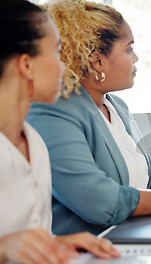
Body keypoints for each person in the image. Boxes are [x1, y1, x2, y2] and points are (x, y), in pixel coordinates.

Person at [27, 0, 151, 236]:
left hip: (133, 238)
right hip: (86, 252)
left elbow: (147, 178)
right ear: (97, 60)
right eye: (129, 49)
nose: (136, 58)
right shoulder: (53, 112)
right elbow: (100, 202)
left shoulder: (116, 106)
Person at [0, 0, 119, 263]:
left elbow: (27, 239)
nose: (64, 66)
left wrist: (57, 242)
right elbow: (10, 244)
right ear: (27, 65)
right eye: (57, 52)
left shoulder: (35, 143)